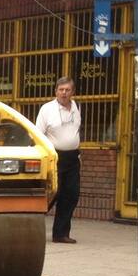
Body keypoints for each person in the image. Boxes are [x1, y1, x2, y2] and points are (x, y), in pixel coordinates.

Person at [36, 77, 81, 243]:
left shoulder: (77, 107)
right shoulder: (47, 109)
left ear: (72, 92)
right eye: (61, 90)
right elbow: (38, 134)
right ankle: (32, 227)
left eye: (67, 90)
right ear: (56, 91)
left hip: (72, 158)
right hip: (54, 157)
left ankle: (61, 233)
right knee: (52, 194)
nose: (64, 93)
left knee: (71, 195)